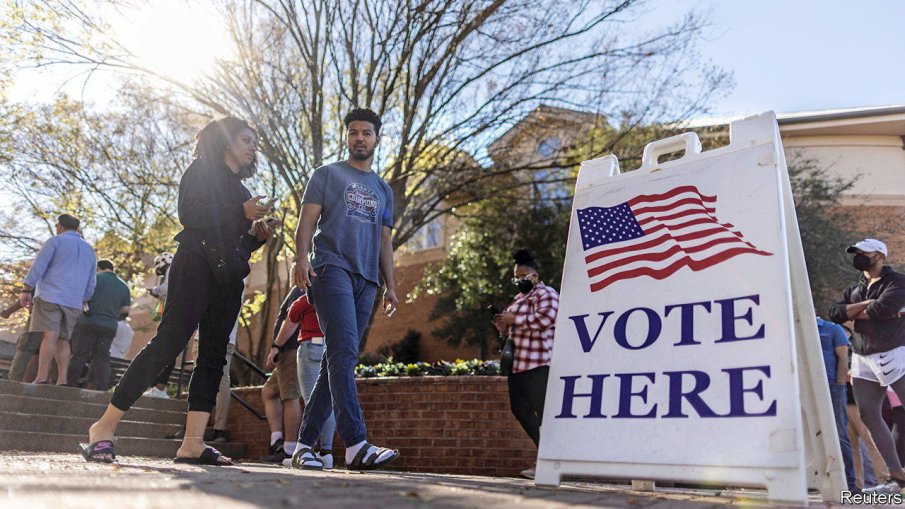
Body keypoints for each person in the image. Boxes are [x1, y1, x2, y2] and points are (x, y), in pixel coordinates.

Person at [81, 116, 278, 465]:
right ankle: (103, 428)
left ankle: (193, 443)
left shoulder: (244, 192)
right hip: (194, 266)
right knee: (168, 343)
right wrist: (240, 212)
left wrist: (255, 236)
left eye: (255, 143)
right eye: (247, 140)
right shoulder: (200, 171)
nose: (253, 147)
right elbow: (190, 215)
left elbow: (236, 245)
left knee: (214, 355)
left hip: (228, 278)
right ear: (227, 140)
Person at [289, 108, 399, 471]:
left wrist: (391, 287)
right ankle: (356, 444)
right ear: (347, 137)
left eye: (366, 133)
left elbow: (385, 243)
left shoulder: (383, 189)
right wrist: (300, 258)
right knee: (344, 354)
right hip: (330, 267)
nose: (359, 138)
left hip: (367, 280)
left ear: (377, 139)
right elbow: (307, 221)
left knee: (336, 358)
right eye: (354, 132)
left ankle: (303, 446)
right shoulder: (326, 174)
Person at [828, 238, 905, 494]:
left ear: (880, 256)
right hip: (862, 356)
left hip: (895, 353)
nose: (859, 256)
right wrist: (865, 306)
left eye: (865, 253)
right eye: (857, 253)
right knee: (868, 414)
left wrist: (855, 312)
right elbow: (835, 313)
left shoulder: (898, 281)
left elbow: (884, 309)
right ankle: (897, 476)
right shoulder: (855, 288)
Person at [493, 249, 559, 480]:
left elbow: (547, 319)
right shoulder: (518, 299)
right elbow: (512, 329)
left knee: (543, 414)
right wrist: (503, 325)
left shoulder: (546, 293)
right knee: (519, 409)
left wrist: (515, 320)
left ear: (535, 275)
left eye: (524, 275)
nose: (520, 280)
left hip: (539, 362)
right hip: (518, 364)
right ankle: (548, 456)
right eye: (516, 277)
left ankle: (547, 461)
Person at [19, 214, 97, 385]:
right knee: (64, 339)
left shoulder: (56, 241)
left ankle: (42, 376)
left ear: (60, 226)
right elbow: (92, 280)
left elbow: (39, 265)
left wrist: (27, 288)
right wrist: (84, 298)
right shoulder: (89, 250)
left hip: (50, 295)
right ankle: (62, 379)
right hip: (74, 300)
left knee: (50, 336)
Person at [67, 260, 131, 390]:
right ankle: (101, 389)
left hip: (88, 322)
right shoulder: (123, 286)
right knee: (102, 358)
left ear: (98, 268)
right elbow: (126, 309)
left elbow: (82, 297)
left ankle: (69, 386)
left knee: (79, 355)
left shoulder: (94, 279)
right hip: (110, 326)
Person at [259, 285, 305, 464]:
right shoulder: (297, 288)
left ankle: (289, 449)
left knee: (290, 396)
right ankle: (277, 441)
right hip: (288, 351)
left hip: (291, 349)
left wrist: (276, 346)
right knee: (269, 392)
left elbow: (291, 320)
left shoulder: (302, 287)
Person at [815, 316, 857, 492]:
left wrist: (839, 386)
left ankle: (849, 483)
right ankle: (816, 480)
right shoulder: (795, 330)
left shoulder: (833, 329)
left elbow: (842, 357)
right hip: (807, 387)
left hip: (832, 387)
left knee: (839, 434)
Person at [144, 252, 175, 398]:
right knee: (167, 349)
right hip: (181, 313)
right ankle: (158, 387)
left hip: (175, 313)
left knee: (164, 349)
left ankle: (159, 388)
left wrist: (154, 291)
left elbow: (167, 289)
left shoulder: (171, 268)